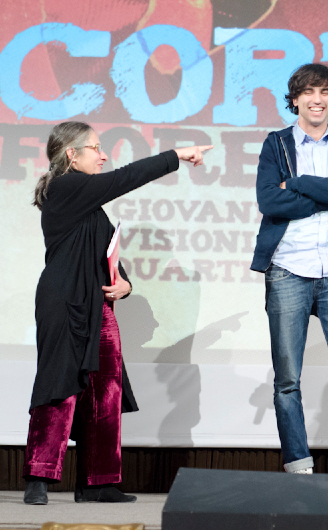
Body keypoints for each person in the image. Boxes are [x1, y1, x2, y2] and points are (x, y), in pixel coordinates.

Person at [23, 121, 211, 505]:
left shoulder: (90, 206)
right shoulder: (65, 188)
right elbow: (127, 177)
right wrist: (176, 155)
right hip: (65, 302)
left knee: (105, 391)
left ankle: (99, 482)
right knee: (60, 387)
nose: (103, 155)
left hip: (99, 305)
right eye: (95, 148)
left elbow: (106, 251)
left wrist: (125, 284)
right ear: (71, 154)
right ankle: (39, 476)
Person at [250, 63, 328, 475]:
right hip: (287, 269)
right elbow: (270, 201)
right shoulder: (276, 144)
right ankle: (299, 465)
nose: (317, 99)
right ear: (295, 99)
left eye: (324, 92)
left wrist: (299, 182)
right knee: (287, 380)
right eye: (308, 92)